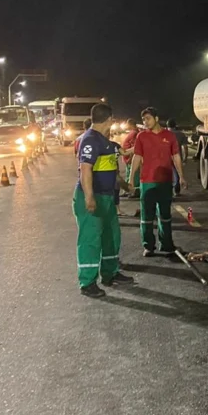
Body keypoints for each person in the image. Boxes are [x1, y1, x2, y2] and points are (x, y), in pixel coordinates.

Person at [74, 102, 134, 298]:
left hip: (107, 197)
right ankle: (87, 282)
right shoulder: (90, 140)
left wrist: (126, 186)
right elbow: (85, 169)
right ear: (109, 119)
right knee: (90, 239)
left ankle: (110, 273)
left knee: (111, 236)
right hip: (93, 196)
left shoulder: (105, 142)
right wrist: (89, 197)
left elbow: (113, 172)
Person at [128, 107, 186, 257]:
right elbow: (137, 157)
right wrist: (130, 178)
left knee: (165, 215)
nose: (145, 122)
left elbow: (176, 156)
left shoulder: (169, 136)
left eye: (148, 119)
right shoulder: (141, 137)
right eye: (143, 120)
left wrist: (181, 176)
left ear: (156, 118)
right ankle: (148, 245)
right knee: (147, 217)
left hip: (165, 181)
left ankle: (166, 244)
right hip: (147, 181)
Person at [166, 119, 190, 196]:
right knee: (177, 174)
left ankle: (167, 191)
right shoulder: (181, 134)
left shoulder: (164, 134)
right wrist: (185, 158)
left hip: (166, 157)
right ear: (175, 126)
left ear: (167, 126)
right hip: (177, 157)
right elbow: (185, 147)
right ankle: (177, 191)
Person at [121, 119, 141, 198]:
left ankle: (133, 191)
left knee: (133, 176)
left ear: (130, 124)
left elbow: (134, 148)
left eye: (127, 124)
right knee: (128, 175)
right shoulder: (133, 132)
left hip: (130, 159)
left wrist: (130, 158)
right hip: (127, 159)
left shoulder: (134, 133)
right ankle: (128, 190)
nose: (126, 125)